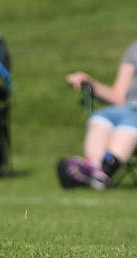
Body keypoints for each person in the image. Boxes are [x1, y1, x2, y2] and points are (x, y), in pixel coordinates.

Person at [58, 40, 137, 190]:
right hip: (125, 107)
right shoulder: (135, 48)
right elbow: (118, 96)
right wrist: (90, 82)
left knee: (131, 121)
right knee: (101, 117)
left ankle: (102, 172)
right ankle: (94, 168)